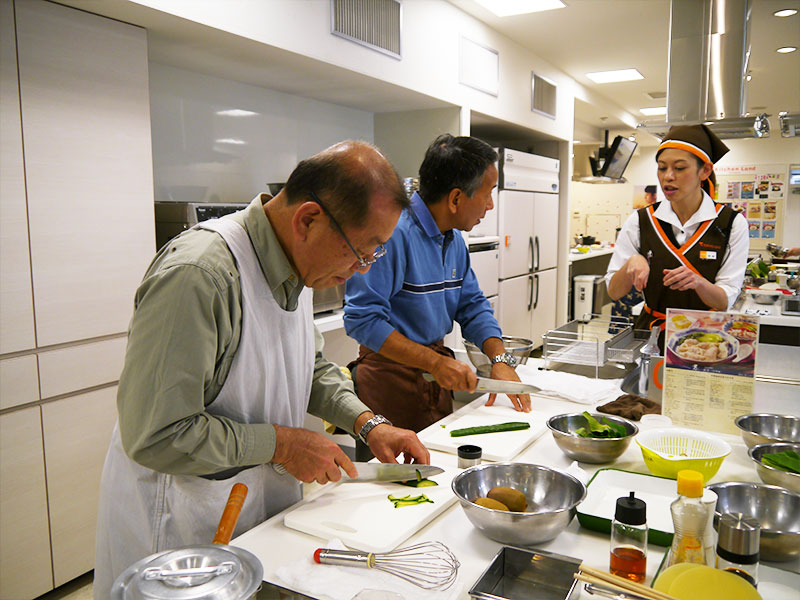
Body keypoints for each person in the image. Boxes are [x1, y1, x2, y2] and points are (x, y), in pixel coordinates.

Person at [93, 141, 430, 597]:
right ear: (308, 219)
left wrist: (368, 425)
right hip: (181, 529)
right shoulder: (200, 276)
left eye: (374, 256)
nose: (360, 271)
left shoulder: (300, 261)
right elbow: (157, 434)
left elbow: (305, 367)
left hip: (253, 510)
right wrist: (284, 444)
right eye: (362, 252)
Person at [343, 134, 531, 439]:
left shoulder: (453, 237)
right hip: (390, 382)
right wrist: (433, 361)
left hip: (435, 378)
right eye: (488, 193)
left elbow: (471, 305)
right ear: (456, 199)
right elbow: (362, 320)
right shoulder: (393, 233)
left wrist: (499, 359)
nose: (491, 205)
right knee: (399, 481)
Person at [605, 124, 749, 349]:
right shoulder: (642, 220)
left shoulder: (730, 224)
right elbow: (614, 291)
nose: (668, 177)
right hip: (650, 336)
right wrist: (631, 263)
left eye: (680, 168)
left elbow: (724, 300)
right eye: (662, 168)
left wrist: (699, 283)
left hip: (705, 340)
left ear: (705, 171)